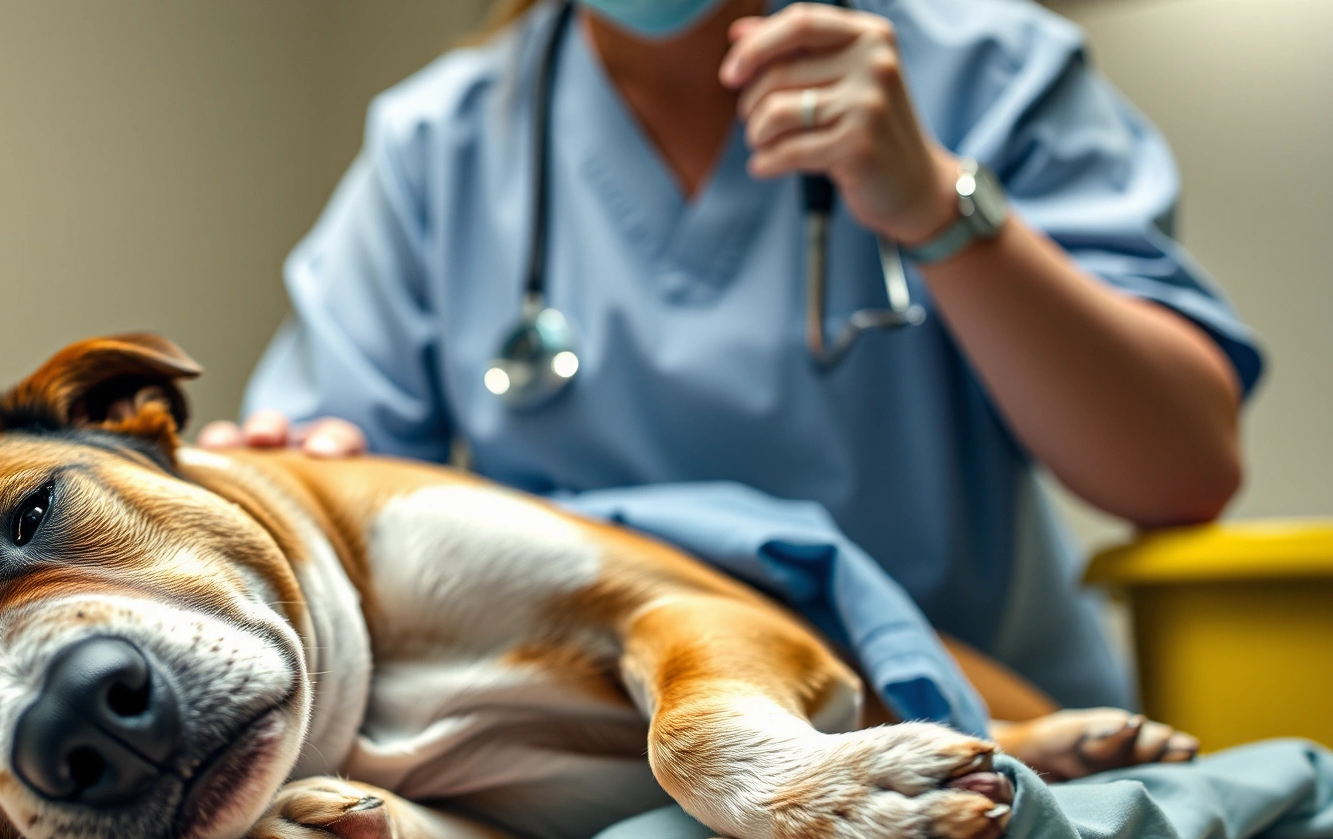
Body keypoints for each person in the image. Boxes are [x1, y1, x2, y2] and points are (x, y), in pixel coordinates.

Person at [198, 0, 1261, 710]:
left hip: (1001, 729)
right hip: (651, 757)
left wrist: (938, 207)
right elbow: (342, 522)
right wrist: (300, 470)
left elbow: (1177, 471)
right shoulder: (441, 147)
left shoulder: (981, 61)